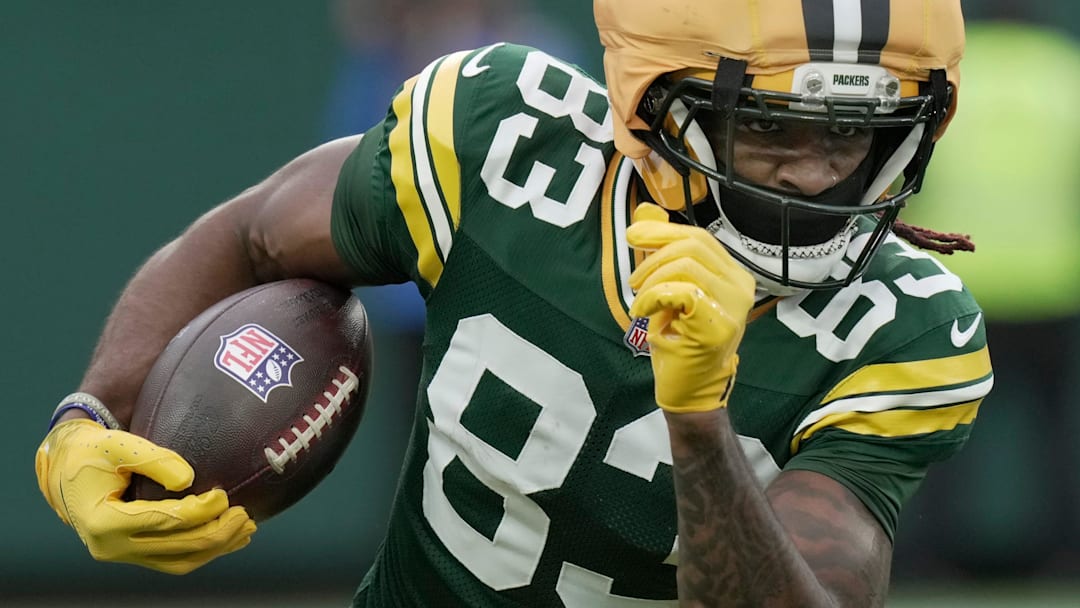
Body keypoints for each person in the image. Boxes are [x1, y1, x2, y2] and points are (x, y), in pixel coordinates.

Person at [35, 0, 992, 605]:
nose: (818, 178)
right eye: (772, 128)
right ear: (654, 105)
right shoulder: (499, 137)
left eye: (860, 136)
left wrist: (697, 422)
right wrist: (93, 415)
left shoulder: (907, 328)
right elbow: (249, 235)